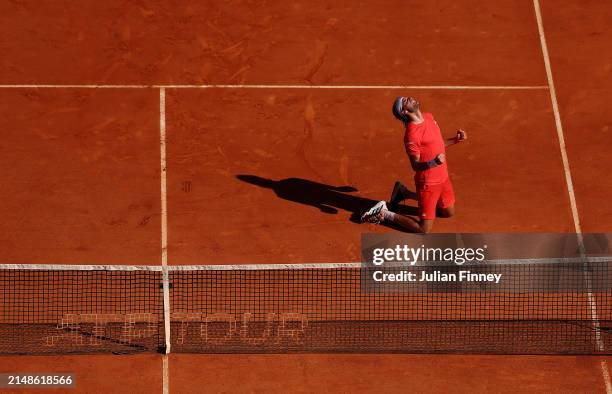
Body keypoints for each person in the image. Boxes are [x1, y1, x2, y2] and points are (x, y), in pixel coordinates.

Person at [360, 96, 467, 233]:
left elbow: (437, 145)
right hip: (428, 183)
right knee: (423, 229)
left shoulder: (429, 117)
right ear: (404, 111)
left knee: (448, 212)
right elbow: (415, 165)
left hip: (443, 177)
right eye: (405, 101)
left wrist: (455, 140)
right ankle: (384, 212)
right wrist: (434, 162)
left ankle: (403, 193)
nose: (409, 98)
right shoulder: (412, 135)